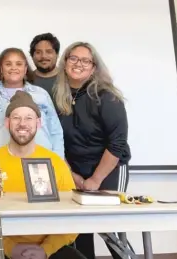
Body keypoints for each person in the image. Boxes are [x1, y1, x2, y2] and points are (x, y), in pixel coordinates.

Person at [0, 91, 84, 259]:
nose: (22, 123)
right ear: (7, 122)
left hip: (49, 249)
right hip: (3, 247)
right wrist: (10, 248)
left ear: (39, 123)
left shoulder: (55, 162)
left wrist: (46, 249)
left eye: (29, 118)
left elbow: (73, 218)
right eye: (16, 118)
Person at [53, 41, 131, 259]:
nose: (79, 64)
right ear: (65, 62)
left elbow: (117, 144)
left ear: (94, 67)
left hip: (109, 167)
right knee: (77, 229)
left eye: (86, 60)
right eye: (73, 58)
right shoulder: (59, 96)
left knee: (109, 227)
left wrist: (96, 180)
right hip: (74, 169)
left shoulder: (107, 96)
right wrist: (71, 174)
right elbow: (55, 141)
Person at [0, 47, 64, 161]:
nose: (13, 68)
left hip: (40, 164)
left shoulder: (41, 95)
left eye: (19, 64)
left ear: (25, 69)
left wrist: (58, 162)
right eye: (8, 64)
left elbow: (56, 132)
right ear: (1, 69)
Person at [29, 33, 61, 97]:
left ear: (57, 54)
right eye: (38, 52)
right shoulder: (26, 81)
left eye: (49, 52)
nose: (43, 56)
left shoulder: (68, 79)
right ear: (32, 56)